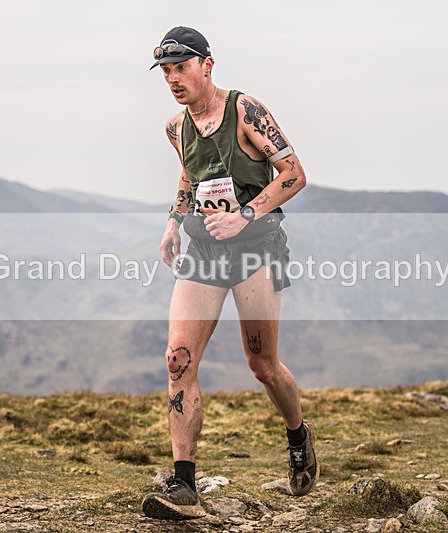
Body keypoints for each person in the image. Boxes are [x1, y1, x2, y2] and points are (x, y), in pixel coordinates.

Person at [142, 26, 318, 521]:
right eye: (166, 71)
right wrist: (174, 221)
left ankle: (298, 436)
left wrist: (246, 214)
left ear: (207, 65)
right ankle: (184, 485)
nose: (173, 79)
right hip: (203, 251)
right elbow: (189, 174)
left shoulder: (246, 111)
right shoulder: (175, 127)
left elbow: (294, 174)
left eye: (181, 68)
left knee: (263, 366)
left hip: (256, 249)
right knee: (178, 360)